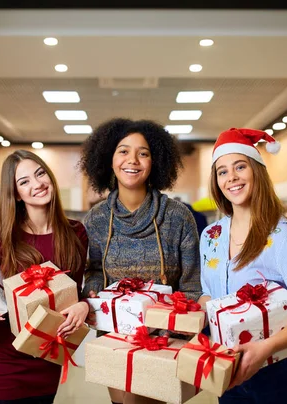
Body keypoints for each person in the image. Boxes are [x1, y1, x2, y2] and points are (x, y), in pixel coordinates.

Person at [198, 128, 287, 404]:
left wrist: (266, 347)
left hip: (278, 375)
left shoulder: (283, 238)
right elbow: (209, 294)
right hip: (229, 371)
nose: (232, 178)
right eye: (222, 171)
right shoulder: (210, 236)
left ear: (257, 172)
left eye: (240, 166)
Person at [79, 118, 202, 404]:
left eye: (143, 152)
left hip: (161, 339)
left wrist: (176, 327)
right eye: (123, 151)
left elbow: (192, 283)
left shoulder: (178, 217)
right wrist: (93, 291)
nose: (132, 160)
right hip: (112, 335)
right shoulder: (96, 220)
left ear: (154, 161)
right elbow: (94, 271)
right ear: (109, 159)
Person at [0, 150, 89, 404]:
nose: (37, 184)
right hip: (4, 361)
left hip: (47, 357)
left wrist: (83, 305)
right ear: (16, 194)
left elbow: (76, 292)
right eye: (24, 181)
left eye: (40, 174)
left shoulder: (75, 233)